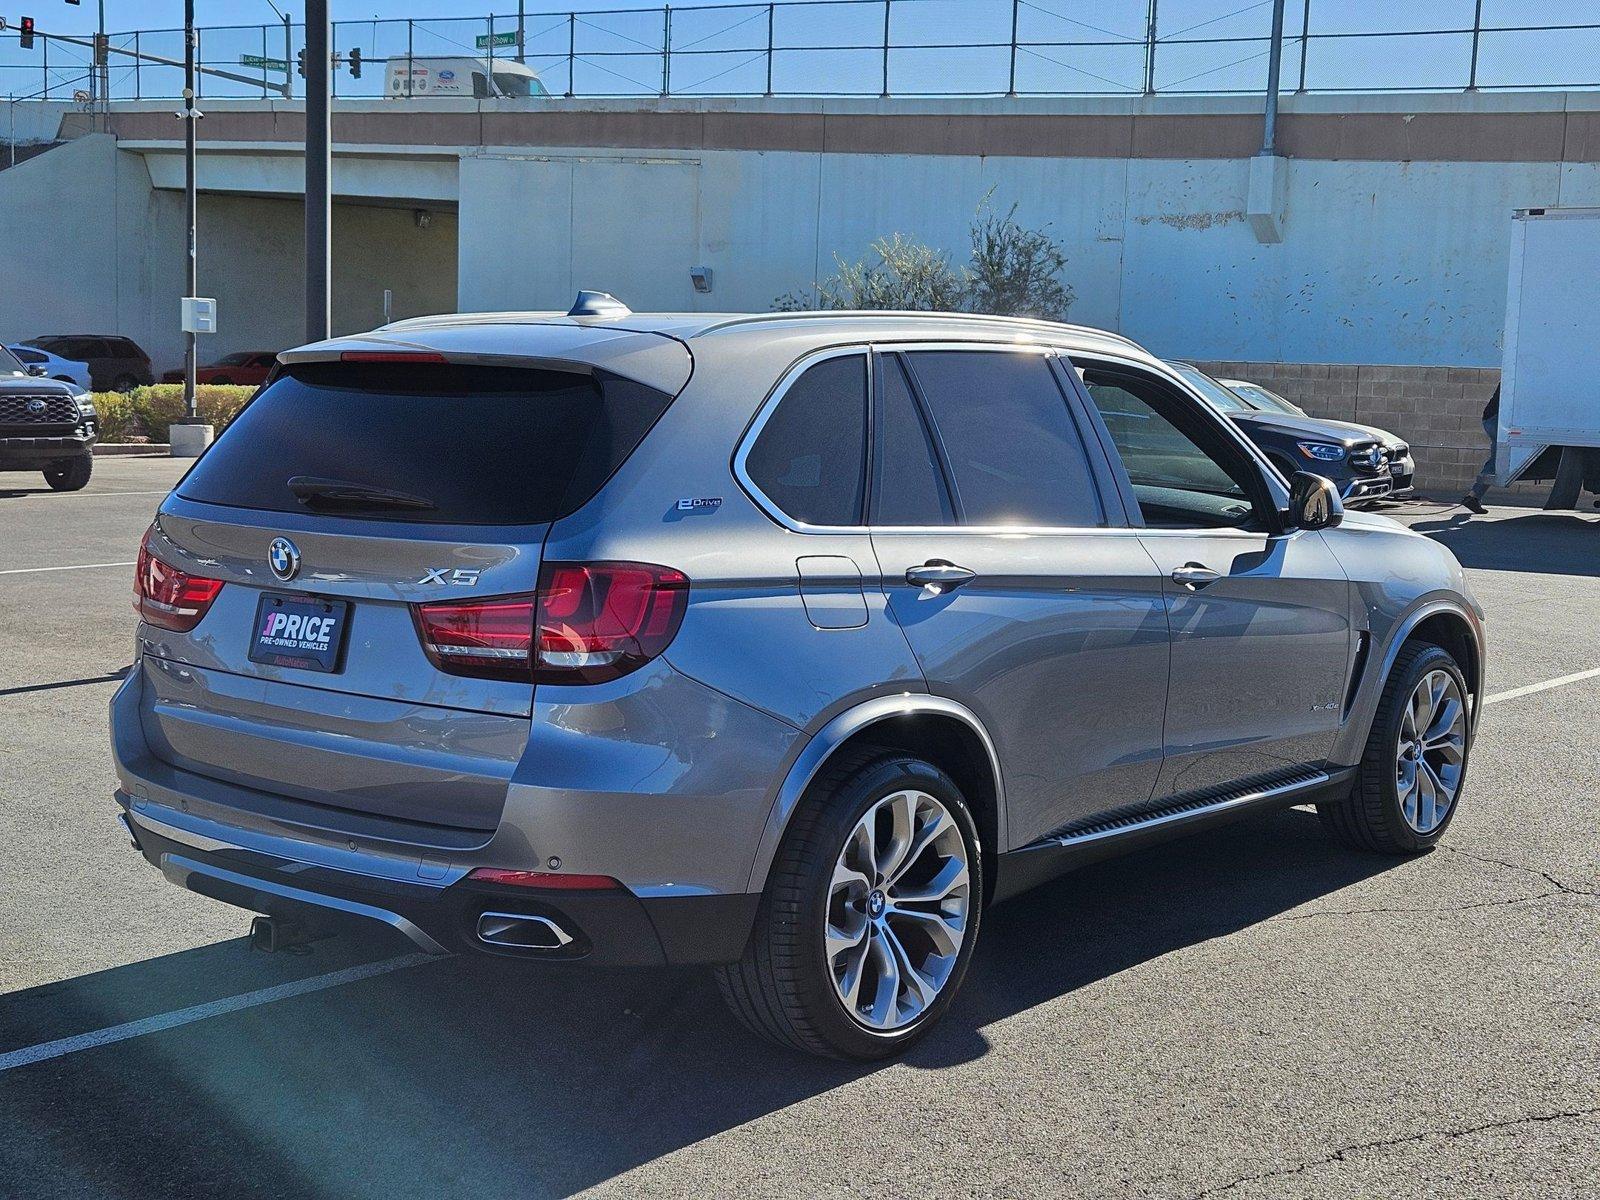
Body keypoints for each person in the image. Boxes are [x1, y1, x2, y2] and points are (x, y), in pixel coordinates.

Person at [1460, 385, 1499, 514]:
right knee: (1497, 461)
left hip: (1491, 418)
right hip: (1496, 419)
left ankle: (1473, 496)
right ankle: (1473, 496)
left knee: (1496, 460)